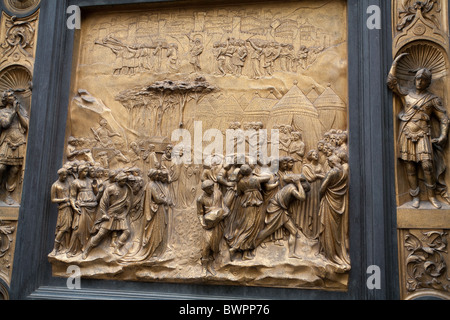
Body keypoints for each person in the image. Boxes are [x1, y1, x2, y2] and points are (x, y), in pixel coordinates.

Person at [388, 53, 450, 208]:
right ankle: (414, 196)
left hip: (423, 134)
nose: (419, 82)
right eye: (417, 78)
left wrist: (443, 135)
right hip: (407, 132)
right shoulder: (406, 95)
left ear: (428, 83)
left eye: (423, 80)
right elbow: (391, 83)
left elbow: (444, 118)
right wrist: (395, 64)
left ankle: (431, 196)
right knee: (410, 166)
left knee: (427, 165)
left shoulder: (432, 100)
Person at [255, 174, 307, 259]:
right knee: (267, 231)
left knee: (293, 231)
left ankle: (291, 253)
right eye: (303, 188)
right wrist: (298, 183)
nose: (303, 190)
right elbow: (302, 197)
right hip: (275, 210)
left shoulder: (291, 186)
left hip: (282, 211)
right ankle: (252, 246)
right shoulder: (292, 188)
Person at [82, 171, 131, 259]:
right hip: (111, 215)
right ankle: (87, 250)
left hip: (120, 215)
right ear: (118, 180)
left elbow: (127, 201)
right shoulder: (110, 189)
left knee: (127, 232)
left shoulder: (126, 189)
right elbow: (103, 202)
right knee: (101, 234)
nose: (124, 182)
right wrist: (104, 214)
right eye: (122, 181)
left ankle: (117, 248)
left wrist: (127, 205)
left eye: (125, 181)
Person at [318, 154, 350, 270]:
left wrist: (320, 197)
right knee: (335, 230)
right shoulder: (345, 172)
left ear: (332, 163)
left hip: (329, 202)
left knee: (328, 228)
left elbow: (322, 188)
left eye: (330, 163)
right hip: (338, 203)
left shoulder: (332, 172)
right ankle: (335, 253)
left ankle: (331, 255)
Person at [0, 89, 29, 205]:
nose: (13, 97)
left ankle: (8, 194)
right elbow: (5, 124)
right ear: (6, 99)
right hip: (6, 141)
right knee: (1, 167)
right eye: (11, 96)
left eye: (13, 95)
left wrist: (18, 112)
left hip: (19, 141)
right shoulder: (2, 112)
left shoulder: (20, 111)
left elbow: (26, 125)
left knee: (14, 169)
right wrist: (13, 112)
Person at [196, 180, 229, 275]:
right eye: (209, 188)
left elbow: (223, 206)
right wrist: (203, 223)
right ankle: (204, 267)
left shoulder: (218, 193)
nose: (211, 189)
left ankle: (210, 265)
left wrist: (224, 214)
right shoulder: (200, 199)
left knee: (214, 245)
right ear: (205, 190)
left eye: (212, 187)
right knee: (206, 245)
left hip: (218, 224)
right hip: (209, 224)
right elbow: (200, 214)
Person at [51, 168, 73, 255]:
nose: (65, 177)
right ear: (59, 175)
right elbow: (53, 199)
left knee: (69, 228)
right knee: (63, 228)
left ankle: (67, 247)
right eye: (63, 175)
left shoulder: (68, 183)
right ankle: (55, 249)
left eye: (66, 175)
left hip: (70, 208)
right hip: (63, 208)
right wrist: (63, 199)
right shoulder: (55, 185)